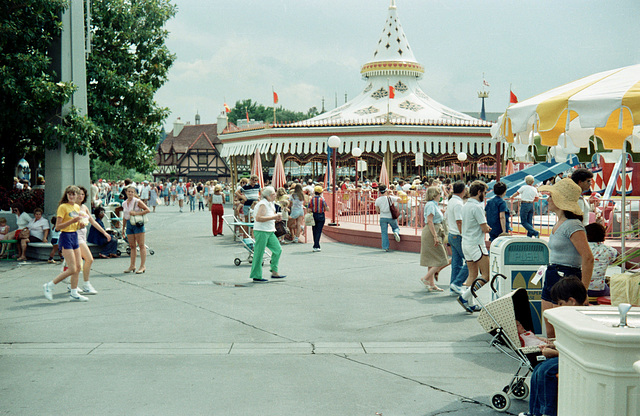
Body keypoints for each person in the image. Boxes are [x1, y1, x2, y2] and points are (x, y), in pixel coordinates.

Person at [518, 276, 587, 416]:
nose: (557, 307)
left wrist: (554, 353)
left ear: (572, 301)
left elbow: (580, 352)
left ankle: (547, 412)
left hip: (576, 360)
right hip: (569, 355)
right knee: (538, 369)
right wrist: (553, 346)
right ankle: (535, 412)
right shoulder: (572, 316)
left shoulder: (581, 319)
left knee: (546, 370)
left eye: (560, 303)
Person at [537, 178, 594, 338]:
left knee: (559, 329)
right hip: (553, 274)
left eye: (551, 196)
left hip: (565, 276)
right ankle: (554, 361)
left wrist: (583, 290)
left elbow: (588, 257)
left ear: (560, 199)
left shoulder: (572, 225)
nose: (548, 199)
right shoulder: (561, 223)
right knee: (551, 329)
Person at [43, 185, 88, 301]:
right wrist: (73, 221)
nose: (72, 196)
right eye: (70, 194)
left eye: (74, 194)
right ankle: (50, 285)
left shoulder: (77, 208)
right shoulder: (63, 207)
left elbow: (76, 225)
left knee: (78, 266)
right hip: (66, 236)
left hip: (74, 235)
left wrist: (80, 224)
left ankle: (74, 293)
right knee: (72, 268)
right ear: (67, 195)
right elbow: (57, 227)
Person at [457, 181, 491, 313]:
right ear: (479, 192)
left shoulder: (465, 205)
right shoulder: (477, 207)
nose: (485, 195)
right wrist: (488, 228)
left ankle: (470, 302)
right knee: (486, 275)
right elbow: (484, 228)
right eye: (484, 193)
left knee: (472, 274)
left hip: (466, 242)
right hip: (476, 244)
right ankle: (465, 297)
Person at [249, 186, 285, 282]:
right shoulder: (263, 204)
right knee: (259, 253)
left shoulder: (270, 203)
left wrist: (276, 217)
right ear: (268, 196)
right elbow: (258, 218)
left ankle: (274, 271)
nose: (275, 195)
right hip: (261, 230)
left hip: (269, 230)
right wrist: (274, 217)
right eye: (273, 194)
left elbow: (270, 215)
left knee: (278, 249)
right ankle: (256, 275)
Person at [419, 186, 447, 292]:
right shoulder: (431, 205)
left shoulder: (432, 204)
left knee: (432, 259)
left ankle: (431, 284)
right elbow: (430, 220)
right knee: (441, 258)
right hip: (432, 231)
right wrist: (435, 236)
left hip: (433, 229)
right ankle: (425, 278)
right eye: (439, 193)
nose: (441, 195)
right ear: (435, 195)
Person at [445, 181, 469, 296]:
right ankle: (457, 283)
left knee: (456, 262)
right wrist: (464, 235)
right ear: (463, 190)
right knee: (471, 260)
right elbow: (459, 221)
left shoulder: (451, 201)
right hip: (458, 234)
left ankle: (453, 285)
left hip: (452, 233)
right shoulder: (458, 203)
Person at [585, 222, 618, 303]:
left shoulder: (581, 248)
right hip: (598, 289)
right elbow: (626, 264)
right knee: (614, 291)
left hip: (581, 289)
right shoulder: (609, 250)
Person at [122, 185, 151, 274]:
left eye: (132, 192)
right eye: (129, 191)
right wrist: (123, 228)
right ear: (126, 192)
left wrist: (136, 213)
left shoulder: (137, 201)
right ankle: (132, 265)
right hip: (129, 224)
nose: (130, 193)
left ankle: (142, 266)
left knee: (141, 245)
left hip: (137, 224)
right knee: (132, 246)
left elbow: (147, 210)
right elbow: (125, 216)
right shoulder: (124, 203)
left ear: (134, 193)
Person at [374, 184, 401, 252]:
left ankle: (385, 247)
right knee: (395, 227)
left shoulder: (377, 200)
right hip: (391, 216)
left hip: (383, 217)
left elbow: (377, 210)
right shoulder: (390, 198)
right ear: (386, 190)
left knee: (384, 232)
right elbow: (399, 199)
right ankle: (396, 233)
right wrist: (392, 194)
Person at [308, 185, 328, 252]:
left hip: (314, 215)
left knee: (314, 230)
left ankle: (315, 245)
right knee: (319, 231)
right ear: (321, 192)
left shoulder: (312, 199)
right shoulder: (322, 200)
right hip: (321, 215)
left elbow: (309, 209)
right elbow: (327, 208)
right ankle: (316, 245)